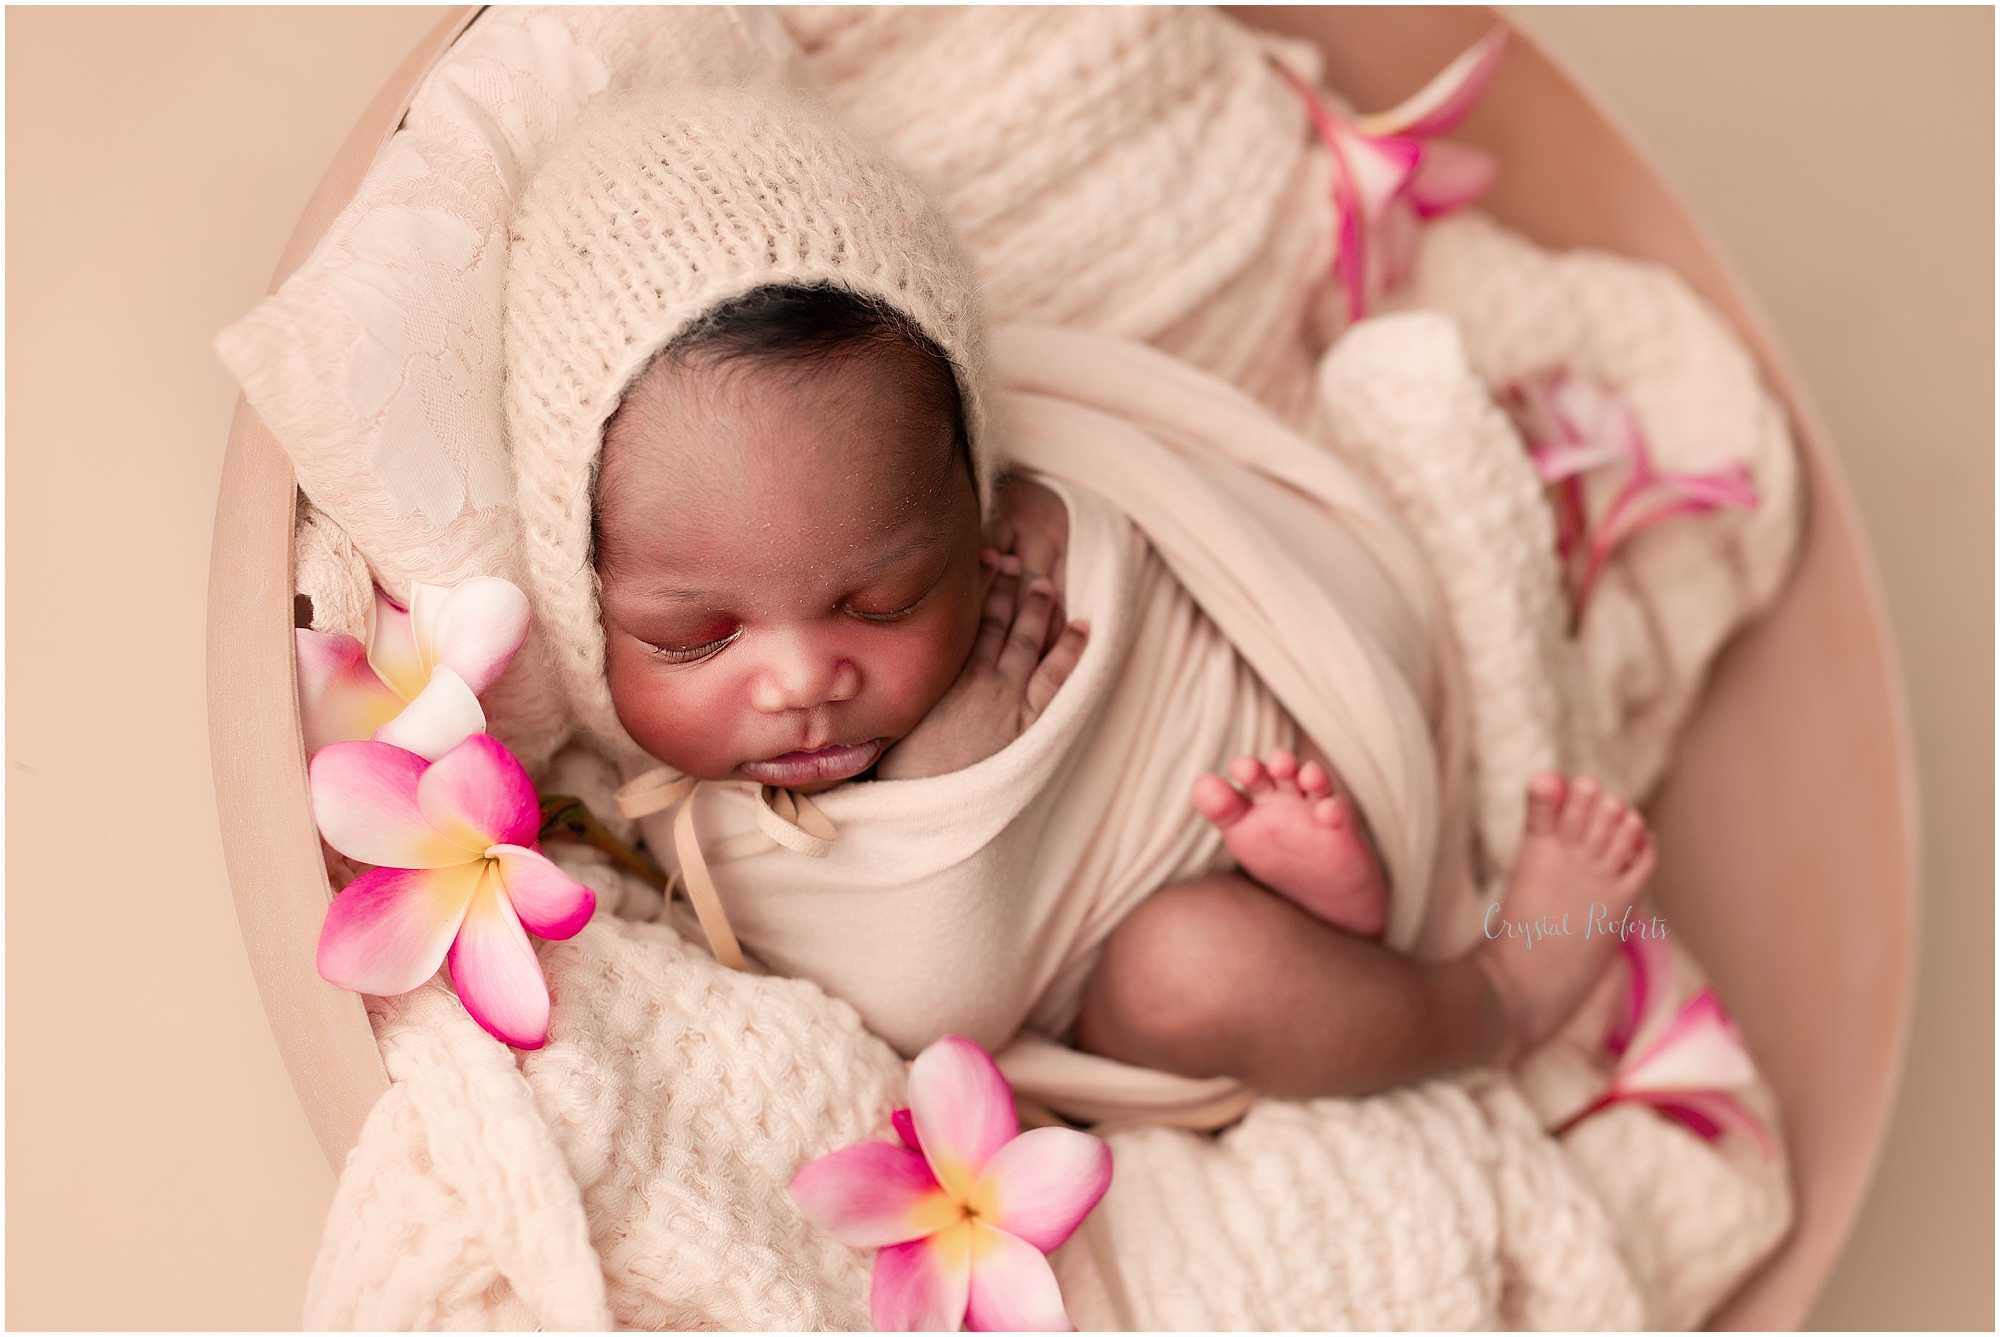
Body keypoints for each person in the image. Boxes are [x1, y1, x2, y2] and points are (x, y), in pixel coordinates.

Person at [507, 84, 1653, 1106]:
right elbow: (928, 1013)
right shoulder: (663, 830)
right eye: (696, 634)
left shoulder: (1016, 522)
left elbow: (1164, 524)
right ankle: (1487, 995)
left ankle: (1364, 894)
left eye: (883, 596)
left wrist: (1068, 544)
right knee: (1187, 971)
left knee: (1225, 811)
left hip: (1264, 718)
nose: (804, 679)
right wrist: (946, 773)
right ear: (581, 591)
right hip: (1120, 940)